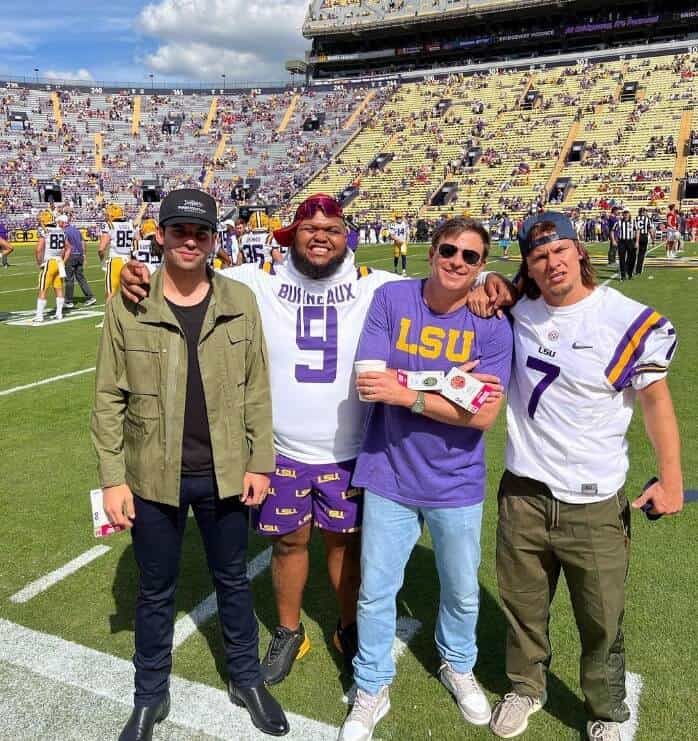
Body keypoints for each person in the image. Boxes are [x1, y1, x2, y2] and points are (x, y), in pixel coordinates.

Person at [119, 193, 403, 688]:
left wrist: (492, 288)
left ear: (347, 239)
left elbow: (450, 286)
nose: (320, 236)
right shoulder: (257, 281)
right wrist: (133, 269)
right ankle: (291, 632)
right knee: (288, 544)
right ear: (289, 237)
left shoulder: (377, 286)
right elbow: (188, 273)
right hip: (282, 449)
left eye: (332, 229)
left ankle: (349, 628)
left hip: (351, 450)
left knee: (345, 547)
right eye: (309, 228)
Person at [473, 211, 683, 741]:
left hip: (594, 501)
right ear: (529, 265)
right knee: (522, 606)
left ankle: (606, 711)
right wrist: (485, 280)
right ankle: (525, 687)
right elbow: (482, 286)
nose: (552, 262)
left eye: (559, 250)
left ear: (579, 251)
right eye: (539, 256)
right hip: (523, 491)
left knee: (601, 618)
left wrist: (671, 478)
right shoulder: (520, 307)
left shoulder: (623, 318)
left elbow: (656, 404)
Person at [91, 188, 288, 739]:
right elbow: (109, 396)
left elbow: (256, 389)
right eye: (179, 230)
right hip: (153, 475)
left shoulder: (239, 300)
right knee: (155, 589)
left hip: (226, 472)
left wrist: (260, 462)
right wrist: (112, 479)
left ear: (213, 240)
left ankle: (246, 679)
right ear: (160, 236)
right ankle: (150, 694)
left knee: (233, 579)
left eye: (201, 233)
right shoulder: (128, 302)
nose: (190, 241)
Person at [339, 217, 513, 741]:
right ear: (431, 250)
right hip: (388, 472)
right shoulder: (394, 298)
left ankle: (457, 664)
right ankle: (371, 684)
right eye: (449, 250)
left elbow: (483, 416)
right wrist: (455, 385)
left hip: (456, 480)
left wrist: (409, 391)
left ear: (482, 266)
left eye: (471, 257)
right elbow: (372, 382)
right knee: (375, 592)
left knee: (461, 589)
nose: (457, 261)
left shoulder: (493, 323)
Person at [33, 210, 71, 323]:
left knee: (43, 289)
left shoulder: (44, 230)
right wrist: (63, 261)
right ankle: (59, 313)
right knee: (58, 288)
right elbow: (68, 248)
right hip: (59, 262)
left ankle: (39, 315)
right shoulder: (61, 230)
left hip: (49, 262)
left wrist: (40, 263)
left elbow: (39, 249)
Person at [98, 203, 135, 300]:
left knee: (111, 293)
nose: (106, 216)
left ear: (112, 215)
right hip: (128, 260)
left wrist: (102, 259)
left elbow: (101, 248)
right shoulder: (130, 225)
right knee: (129, 292)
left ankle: (110, 315)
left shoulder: (110, 226)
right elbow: (137, 242)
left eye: (108, 214)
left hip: (115, 261)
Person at [60, 214, 97, 307]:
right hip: (79, 256)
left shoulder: (64, 232)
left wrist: (61, 258)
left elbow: (65, 247)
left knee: (69, 279)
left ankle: (68, 301)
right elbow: (83, 242)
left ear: (63, 222)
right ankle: (90, 297)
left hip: (70, 256)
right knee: (81, 278)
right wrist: (84, 255)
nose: (58, 224)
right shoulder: (76, 230)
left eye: (59, 222)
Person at [615, 208, 636, 281]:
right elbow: (612, 230)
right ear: (623, 214)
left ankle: (630, 273)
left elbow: (637, 230)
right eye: (625, 213)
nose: (626, 214)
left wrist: (636, 241)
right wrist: (614, 241)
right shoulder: (619, 222)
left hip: (630, 241)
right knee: (622, 259)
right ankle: (623, 275)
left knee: (631, 258)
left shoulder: (633, 222)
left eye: (627, 213)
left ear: (629, 213)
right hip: (622, 241)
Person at [633, 207, 654, 275]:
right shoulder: (647, 219)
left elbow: (633, 229)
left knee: (633, 254)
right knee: (641, 254)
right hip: (644, 236)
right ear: (644, 212)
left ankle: (631, 268)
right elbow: (650, 230)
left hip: (636, 237)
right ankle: (638, 270)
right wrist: (653, 238)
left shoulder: (635, 219)